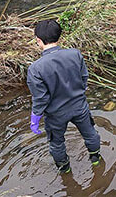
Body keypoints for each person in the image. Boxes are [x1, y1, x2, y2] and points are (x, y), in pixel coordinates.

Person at [27, 19, 102, 174]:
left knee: (57, 143)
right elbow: (84, 78)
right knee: (90, 133)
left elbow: (40, 98)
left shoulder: (35, 68)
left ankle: (65, 170)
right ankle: (95, 159)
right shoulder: (75, 54)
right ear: (58, 37)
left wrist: (35, 117)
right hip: (79, 107)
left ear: (38, 40)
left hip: (55, 114)